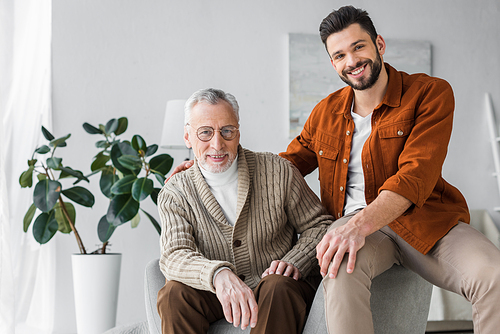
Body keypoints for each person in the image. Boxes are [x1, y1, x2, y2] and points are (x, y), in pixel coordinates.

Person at [279, 5, 500, 334]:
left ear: (379, 44)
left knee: (493, 275)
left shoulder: (429, 93)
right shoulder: (324, 112)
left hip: (422, 218)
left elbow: (415, 175)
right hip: (355, 224)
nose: (351, 61)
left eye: (358, 47)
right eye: (339, 55)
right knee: (340, 266)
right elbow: (285, 166)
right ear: (333, 63)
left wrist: (357, 226)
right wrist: (208, 169)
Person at [156, 88, 332, 334]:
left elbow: (320, 225)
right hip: (216, 293)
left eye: (226, 131)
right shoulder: (176, 192)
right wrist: (217, 274)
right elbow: (175, 254)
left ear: (238, 132)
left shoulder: (279, 171)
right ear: (187, 137)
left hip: (278, 291)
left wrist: (295, 261)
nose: (217, 144)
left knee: (277, 286)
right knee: (174, 294)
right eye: (205, 132)